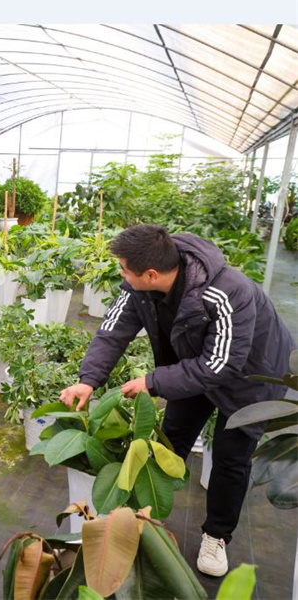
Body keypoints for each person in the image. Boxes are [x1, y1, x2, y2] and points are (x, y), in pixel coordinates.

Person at [60, 224, 294, 577]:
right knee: (170, 443)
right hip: (192, 367)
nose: (121, 275)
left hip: (250, 379)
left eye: (125, 269)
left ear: (151, 274)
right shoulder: (137, 289)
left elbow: (222, 365)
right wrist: (88, 380)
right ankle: (146, 517)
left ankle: (216, 536)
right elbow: (112, 330)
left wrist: (153, 382)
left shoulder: (228, 292)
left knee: (231, 459)